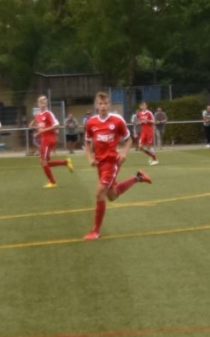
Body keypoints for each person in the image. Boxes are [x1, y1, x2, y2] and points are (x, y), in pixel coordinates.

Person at [82, 91, 152, 241]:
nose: (103, 106)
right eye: (100, 103)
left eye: (105, 103)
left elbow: (129, 139)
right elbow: (87, 141)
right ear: (96, 105)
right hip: (100, 164)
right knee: (112, 195)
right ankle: (138, 177)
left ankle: (96, 231)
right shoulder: (91, 123)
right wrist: (90, 157)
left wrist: (124, 152)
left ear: (109, 105)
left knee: (99, 193)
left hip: (112, 162)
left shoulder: (117, 120)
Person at [33, 96, 73, 188]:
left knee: (43, 161)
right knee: (44, 162)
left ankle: (53, 182)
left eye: (44, 101)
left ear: (46, 103)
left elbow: (57, 125)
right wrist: (38, 133)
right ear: (38, 104)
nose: (42, 103)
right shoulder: (38, 116)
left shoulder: (48, 113)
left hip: (49, 140)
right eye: (40, 102)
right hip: (44, 140)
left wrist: (43, 130)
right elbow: (42, 128)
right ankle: (65, 162)